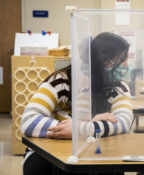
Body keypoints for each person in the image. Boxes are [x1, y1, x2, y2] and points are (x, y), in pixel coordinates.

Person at [21, 32, 133, 175]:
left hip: (96, 153)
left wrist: (81, 128)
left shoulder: (118, 87)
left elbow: (123, 122)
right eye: (122, 59)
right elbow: (28, 120)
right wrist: (79, 127)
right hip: (50, 155)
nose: (127, 65)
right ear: (105, 61)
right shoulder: (60, 81)